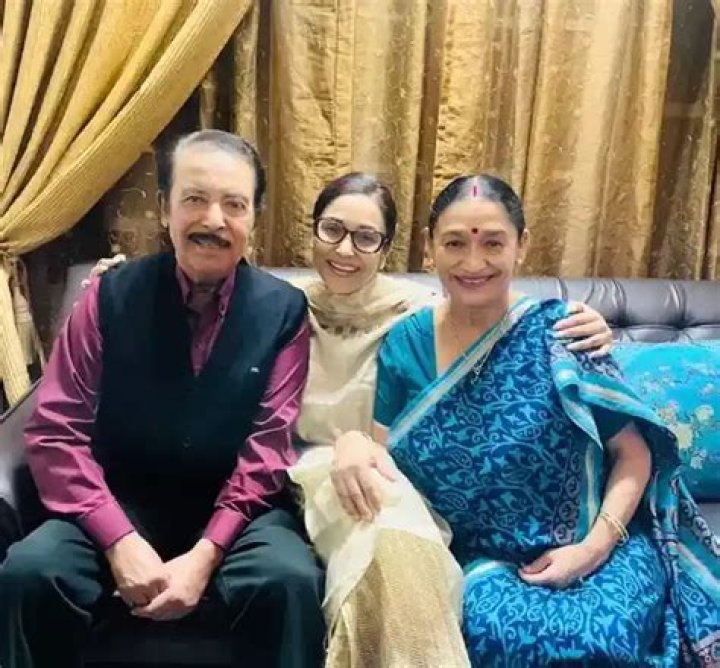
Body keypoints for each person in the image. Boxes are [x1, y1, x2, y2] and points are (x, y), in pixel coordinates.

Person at [85, 171, 615, 667]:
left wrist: (582, 321)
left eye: (365, 238)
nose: (345, 250)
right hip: (280, 479)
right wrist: (116, 281)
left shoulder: (417, 312)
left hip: (372, 471)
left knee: (392, 536)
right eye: (333, 230)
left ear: (388, 248)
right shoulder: (273, 305)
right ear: (313, 230)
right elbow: (190, 294)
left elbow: (496, 318)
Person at [0, 130, 325, 668]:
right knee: (29, 573)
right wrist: (118, 540)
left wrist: (205, 555)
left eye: (234, 205)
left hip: (238, 514)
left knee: (289, 581)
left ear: (254, 217)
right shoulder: (107, 296)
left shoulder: (284, 311)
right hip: (119, 495)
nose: (214, 220)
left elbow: (268, 450)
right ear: (165, 206)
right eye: (195, 198)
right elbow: (56, 431)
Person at [372, 174, 720, 666]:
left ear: (522, 246)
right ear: (429, 248)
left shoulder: (563, 332)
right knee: (499, 634)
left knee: (603, 638)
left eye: (493, 243)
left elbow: (633, 455)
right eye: (454, 243)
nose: (473, 262)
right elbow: (383, 465)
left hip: (599, 543)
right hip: (479, 556)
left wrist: (592, 550)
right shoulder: (405, 345)